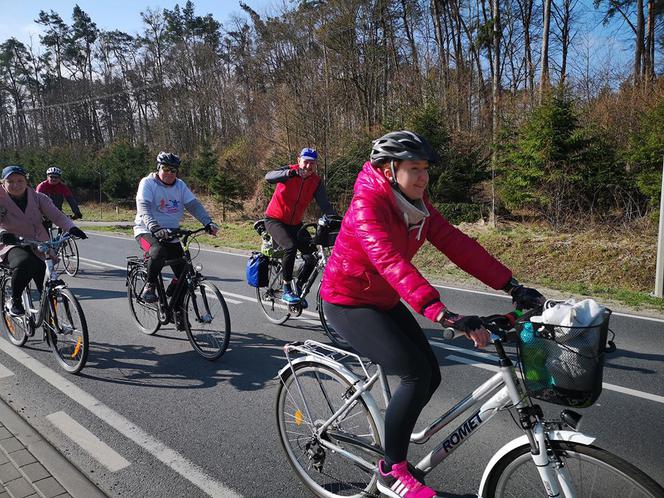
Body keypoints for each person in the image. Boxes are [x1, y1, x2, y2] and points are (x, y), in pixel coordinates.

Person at [320, 131, 544, 498]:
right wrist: (441, 313)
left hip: (384, 299)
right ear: (389, 170)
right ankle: (391, 471)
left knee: (431, 375)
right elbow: (391, 263)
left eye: (426, 168)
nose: (423, 177)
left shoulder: (416, 205)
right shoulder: (367, 206)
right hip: (348, 301)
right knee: (414, 373)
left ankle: (395, 435)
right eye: (414, 169)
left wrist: (512, 285)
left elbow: (459, 245)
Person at [0, 166, 88, 316]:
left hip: (38, 242)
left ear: (26, 180)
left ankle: (49, 323)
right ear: (3, 182)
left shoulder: (38, 197)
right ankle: (15, 300)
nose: (16, 185)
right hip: (11, 242)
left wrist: (71, 228)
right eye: (10, 181)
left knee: (45, 282)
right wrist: (3, 233)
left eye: (20, 180)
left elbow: (57, 216)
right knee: (26, 262)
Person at [133, 151, 219, 305]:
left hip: (170, 233)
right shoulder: (147, 183)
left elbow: (193, 205)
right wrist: (154, 226)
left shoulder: (179, 185)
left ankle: (177, 312)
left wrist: (207, 223)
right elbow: (143, 207)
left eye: (174, 170)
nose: (170, 173)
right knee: (158, 252)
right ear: (158, 167)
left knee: (184, 274)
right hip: (146, 230)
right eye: (166, 168)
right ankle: (150, 285)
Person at [264, 147, 337, 306]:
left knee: (312, 256)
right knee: (290, 247)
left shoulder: (315, 181)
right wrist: (288, 174)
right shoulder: (288, 171)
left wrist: (338, 220)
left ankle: (298, 287)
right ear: (299, 161)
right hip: (274, 220)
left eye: (312, 163)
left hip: (295, 224)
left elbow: (325, 205)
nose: (308, 166)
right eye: (305, 162)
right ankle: (286, 290)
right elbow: (268, 177)